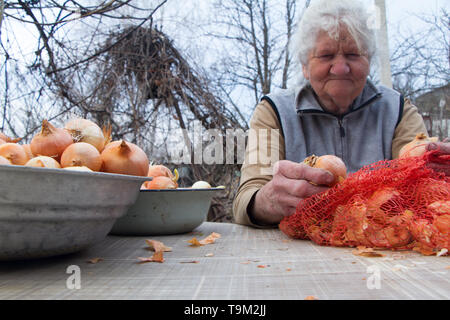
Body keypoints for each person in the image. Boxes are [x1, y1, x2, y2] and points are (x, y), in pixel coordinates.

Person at [233, 0, 450, 228]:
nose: (340, 68)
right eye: (326, 55)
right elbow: (246, 198)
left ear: (368, 61)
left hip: (385, 253)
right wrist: (269, 200)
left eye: (353, 54)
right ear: (305, 66)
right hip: (296, 254)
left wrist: (435, 173)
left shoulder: (397, 109)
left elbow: (416, 162)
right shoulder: (273, 111)